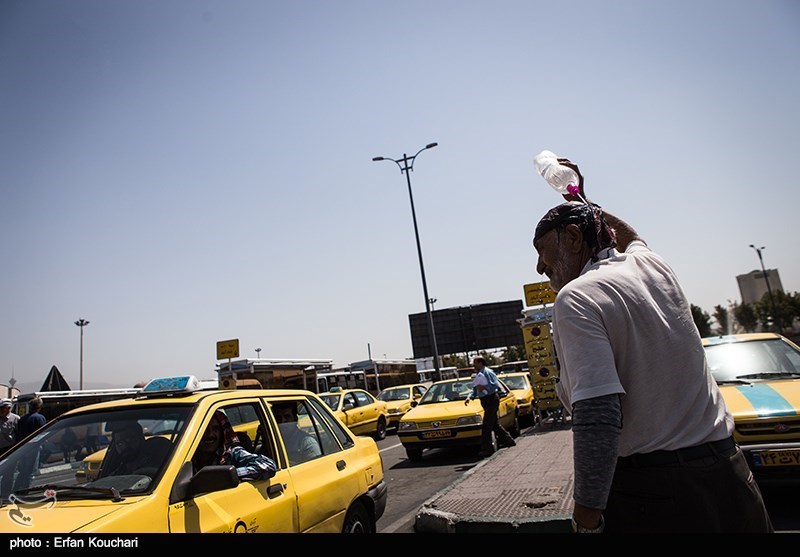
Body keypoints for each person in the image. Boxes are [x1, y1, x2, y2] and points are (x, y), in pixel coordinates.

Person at [531, 158, 773, 533]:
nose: (539, 266)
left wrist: (586, 518)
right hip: (730, 475)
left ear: (575, 239)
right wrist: (579, 197)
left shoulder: (577, 297)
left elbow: (599, 415)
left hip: (659, 497)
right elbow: (630, 237)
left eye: (541, 249)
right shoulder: (653, 267)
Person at [191, 411, 277, 481]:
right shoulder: (184, 455)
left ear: (222, 433)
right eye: (205, 429)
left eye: (215, 429)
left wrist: (230, 475)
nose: (210, 434)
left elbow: (268, 465)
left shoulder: (232, 453)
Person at [465, 356, 516, 457]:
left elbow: (494, 385)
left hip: (491, 399)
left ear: (480, 363)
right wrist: (470, 397)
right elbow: (475, 388)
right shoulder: (478, 374)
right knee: (494, 424)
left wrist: (484, 387)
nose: (473, 365)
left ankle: (487, 449)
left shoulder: (488, 372)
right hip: (485, 400)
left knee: (486, 426)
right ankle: (509, 441)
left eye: (475, 363)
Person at [100, 421, 166, 477]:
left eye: (130, 440)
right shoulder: (118, 473)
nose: (125, 446)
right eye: (120, 443)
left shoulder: (160, 469)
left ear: (141, 439)